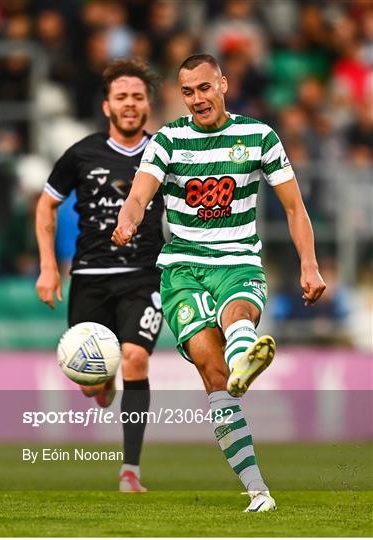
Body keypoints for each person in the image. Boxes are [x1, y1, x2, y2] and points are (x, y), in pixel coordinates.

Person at [112, 53, 326, 511]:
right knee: (214, 372)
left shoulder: (259, 136)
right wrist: (127, 222)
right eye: (187, 92)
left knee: (238, 312)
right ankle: (257, 488)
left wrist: (309, 264)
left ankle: (244, 352)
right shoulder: (168, 140)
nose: (197, 99)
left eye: (204, 88)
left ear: (223, 84)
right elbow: (138, 196)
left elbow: (294, 208)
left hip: (238, 262)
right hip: (183, 270)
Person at [35, 58, 164, 493]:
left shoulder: (163, 155)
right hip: (89, 276)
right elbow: (46, 204)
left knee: (136, 358)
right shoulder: (82, 154)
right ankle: (101, 380)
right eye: (121, 97)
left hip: (142, 276)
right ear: (107, 106)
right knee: (92, 383)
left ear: (148, 104)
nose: (130, 104)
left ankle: (130, 469)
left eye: (138, 97)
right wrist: (50, 267)